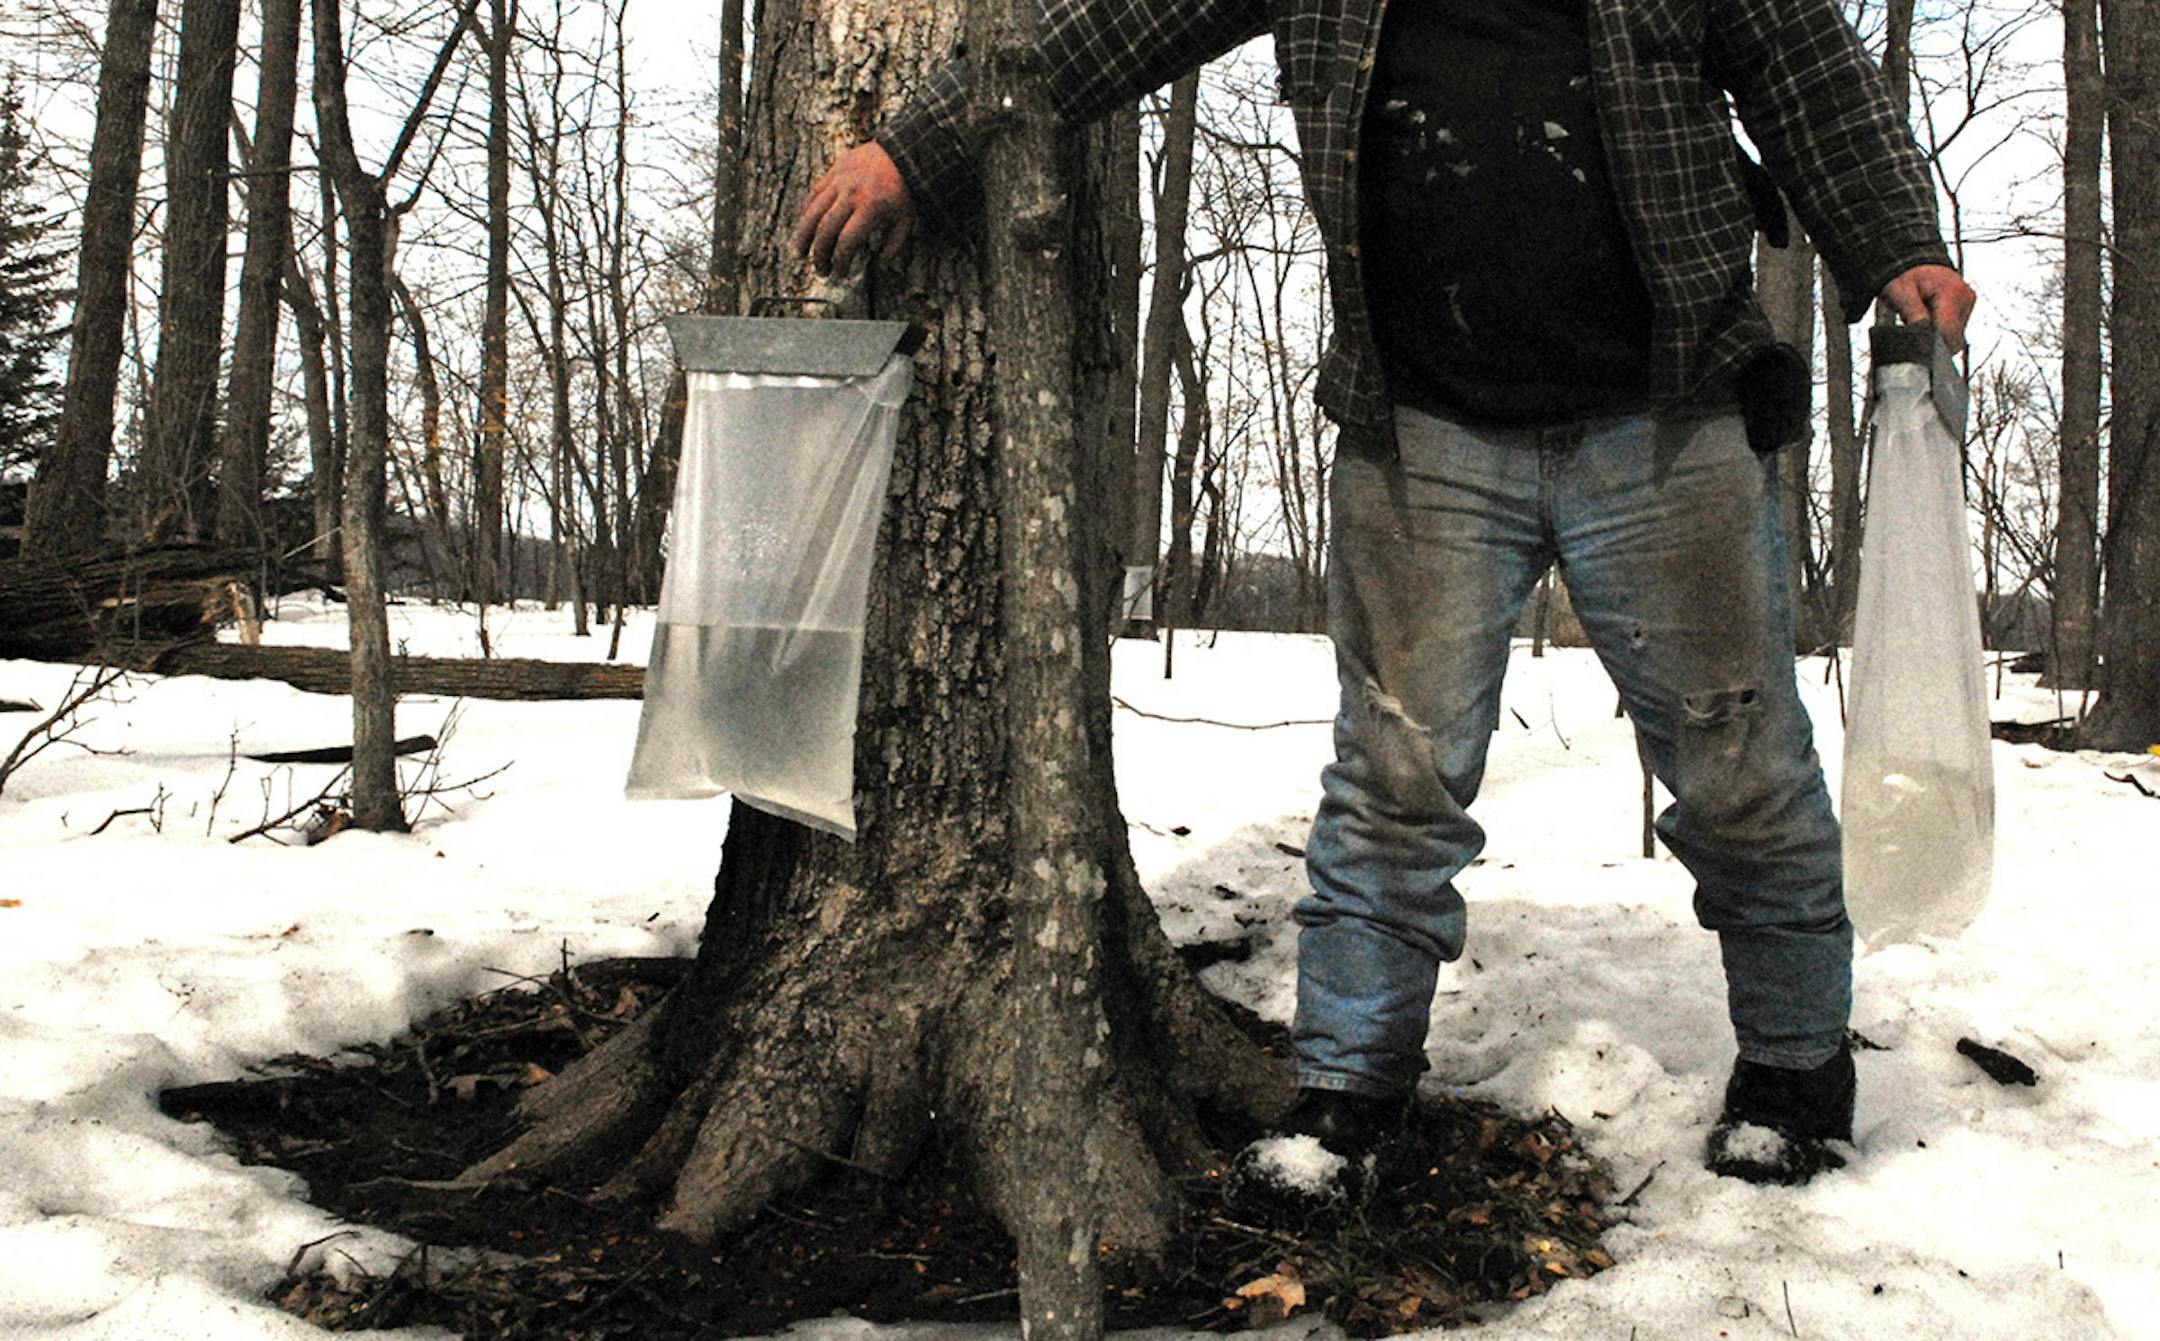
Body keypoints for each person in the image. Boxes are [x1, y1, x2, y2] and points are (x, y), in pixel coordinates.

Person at [794, 0, 1975, 1197]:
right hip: (1425, 426)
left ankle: (1794, 1075)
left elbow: (1813, 74)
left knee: (1742, 765)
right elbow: (1101, 29)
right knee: (1392, 781)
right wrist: (914, 150)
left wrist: (1898, 245)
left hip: (1665, 415)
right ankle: (1344, 1095)